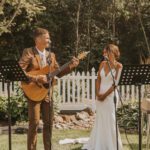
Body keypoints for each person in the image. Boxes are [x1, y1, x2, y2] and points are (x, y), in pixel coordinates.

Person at [19, 27, 79, 150]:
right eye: (47, 37)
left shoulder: (51, 55)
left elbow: (58, 72)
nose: (49, 40)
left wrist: (71, 66)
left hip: (47, 92)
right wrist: (36, 79)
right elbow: (20, 72)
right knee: (34, 123)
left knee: (49, 123)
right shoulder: (28, 52)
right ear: (38, 39)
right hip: (33, 92)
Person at [82, 44, 123, 150]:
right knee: (100, 119)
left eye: (107, 52)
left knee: (110, 119)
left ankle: (112, 145)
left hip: (111, 96)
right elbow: (98, 79)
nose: (104, 54)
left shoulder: (119, 66)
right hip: (100, 94)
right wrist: (97, 93)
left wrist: (104, 95)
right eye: (104, 52)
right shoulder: (102, 63)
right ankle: (100, 143)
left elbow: (115, 84)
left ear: (113, 52)